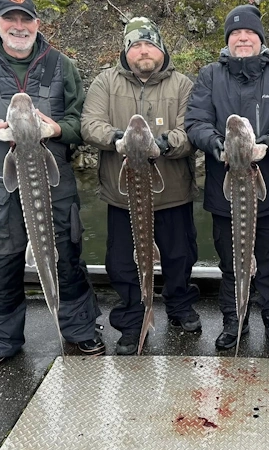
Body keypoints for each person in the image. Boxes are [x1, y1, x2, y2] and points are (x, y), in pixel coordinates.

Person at [0, 0, 103, 371]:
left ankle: (80, 330)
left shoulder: (61, 65)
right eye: (10, 19)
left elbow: (83, 122)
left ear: (37, 25)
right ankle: (1, 340)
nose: (19, 27)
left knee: (66, 256)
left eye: (25, 20)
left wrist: (58, 129)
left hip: (55, 181)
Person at [81, 17, 201, 356]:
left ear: (161, 49)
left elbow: (190, 130)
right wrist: (118, 138)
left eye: (149, 45)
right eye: (136, 46)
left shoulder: (181, 84)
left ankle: (179, 307)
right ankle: (133, 320)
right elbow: (90, 124)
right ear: (126, 50)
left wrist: (162, 145)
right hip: (123, 197)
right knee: (122, 263)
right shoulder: (106, 81)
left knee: (180, 257)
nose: (143, 51)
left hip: (173, 193)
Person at [185, 4, 269, 353]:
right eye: (235, 34)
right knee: (230, 261)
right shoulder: (209, 76)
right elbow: (196, 123)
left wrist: (267, 144)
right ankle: (235, 320)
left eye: (248, 33)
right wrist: (218, 145)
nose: (242, 38)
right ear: (228, 41)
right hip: (225, 193)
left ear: (260, 38)